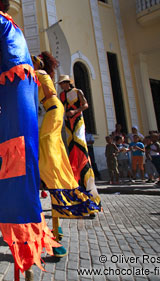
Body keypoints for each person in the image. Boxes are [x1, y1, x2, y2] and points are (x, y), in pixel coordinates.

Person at [0, 0, 58, 280]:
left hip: (15, 91)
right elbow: (16, 63)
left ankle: (22, 239)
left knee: (14, 155)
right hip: (23, 91)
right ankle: (27, 237)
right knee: (21, 154)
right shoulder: (15, 26)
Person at [31, 52, 100, 258]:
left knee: (47, 143)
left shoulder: (39, 73)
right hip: (53, 110)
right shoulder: (42, 76)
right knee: (51, 147)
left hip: (53, 110)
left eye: (32, 61)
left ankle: (49, 172)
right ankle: (56, 219)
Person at [58, 75, 101, 208]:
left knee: (80, 144)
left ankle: (85, 175)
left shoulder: (78, 92)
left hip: (77, 121)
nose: (62, 86)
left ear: (68, 83)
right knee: (72, 147)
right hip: (67, 123)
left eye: (63, 83)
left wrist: (75, 111)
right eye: (61, 84)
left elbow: (85, 105)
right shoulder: (62, 95)